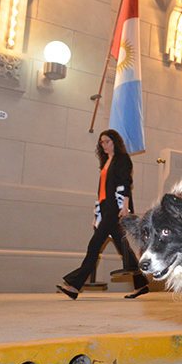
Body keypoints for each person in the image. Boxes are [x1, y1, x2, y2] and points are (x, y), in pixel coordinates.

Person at [57, 129, 149, 300]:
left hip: (116, 209)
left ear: (115, 142)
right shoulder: (106, 161)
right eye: (102, 142)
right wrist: (97, 213)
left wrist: (125, 207)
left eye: (107, 141)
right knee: (125, 249)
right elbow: (102, 191)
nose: (104, 145)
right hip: (106, 209)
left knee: (94, 245)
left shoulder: (122, 159)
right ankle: (141, 284)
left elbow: (126, 183)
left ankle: (75, 286)